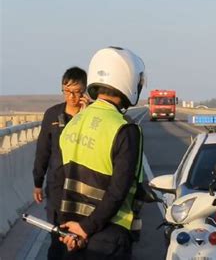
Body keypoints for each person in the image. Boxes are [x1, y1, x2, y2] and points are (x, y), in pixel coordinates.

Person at [58, 46, 146, 259]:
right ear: (128, 80)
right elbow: (119, 190)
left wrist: (77, 229)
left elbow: (63, 179)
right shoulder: (125, 129)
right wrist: (88, 227)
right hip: (108, 234)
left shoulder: (73, 122)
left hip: (71, 233)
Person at [32, 66, 88, 260]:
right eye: (67, 91)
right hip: (57, 187)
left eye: (76, 91)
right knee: (57, 238)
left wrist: (86, 115)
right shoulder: (52, 115)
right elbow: (43, 151)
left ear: (85, 91)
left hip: (84, 189)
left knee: (79, 240)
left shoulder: (91, 117)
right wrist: (38, 182)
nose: (71, 96)